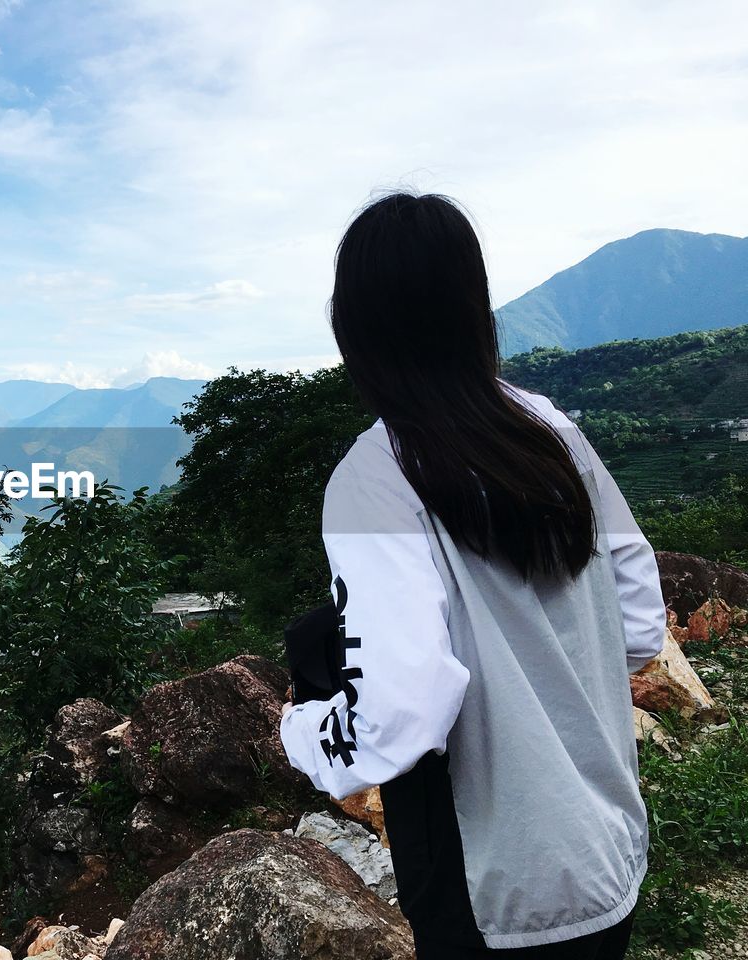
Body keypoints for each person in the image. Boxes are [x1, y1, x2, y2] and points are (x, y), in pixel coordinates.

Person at [279, 193, 667, 958]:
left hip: (492, 884)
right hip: (606, 854)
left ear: (356, 329)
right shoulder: (553, 430)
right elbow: (641, 622)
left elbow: (403, 710)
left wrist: (302, 733)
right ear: (474, 311)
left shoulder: (375, 478)